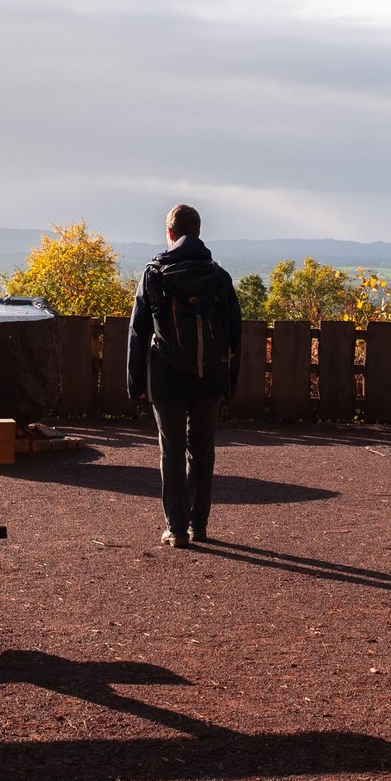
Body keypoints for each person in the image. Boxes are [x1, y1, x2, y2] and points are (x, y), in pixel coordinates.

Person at [127, 203, 242, 547]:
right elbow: (234, 332)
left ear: (170, 233)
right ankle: (199, 526)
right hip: (211, 375)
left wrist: (135, 383)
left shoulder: (154, 274)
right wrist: (230, 381)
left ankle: (176, 530)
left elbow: (138, 331)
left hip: (167, 376)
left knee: (172, 450)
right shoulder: (219, 276)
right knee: (202, 450)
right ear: (198, 231)